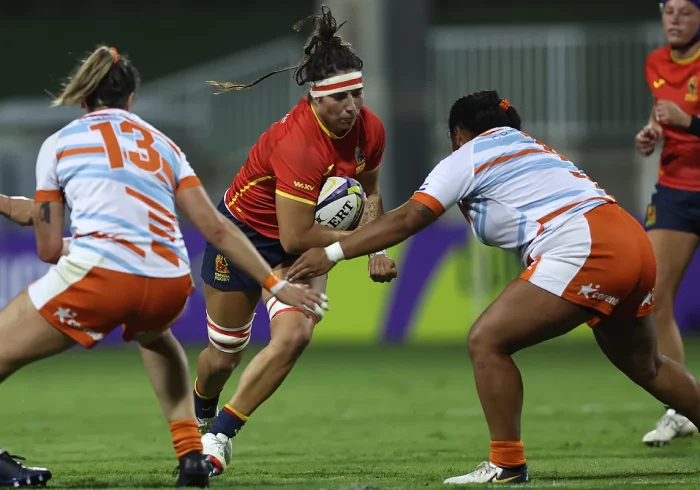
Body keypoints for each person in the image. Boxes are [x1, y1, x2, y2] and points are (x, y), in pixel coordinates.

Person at [288, 90, 700, 485]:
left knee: (487, 340)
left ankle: (507, 464)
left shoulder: (470, 153)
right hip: (630, 240)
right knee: (650, 366)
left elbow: (408, 218)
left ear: (457, 133)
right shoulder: (533, 147)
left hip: (586, 247)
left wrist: (334, 253)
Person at [0, 45, 327, 488]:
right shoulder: (162, 144)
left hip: (103, 275)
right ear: (131, 98)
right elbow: (215, 226)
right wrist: (275, 282)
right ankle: (192, 454)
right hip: (169, 280)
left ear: (82, 100)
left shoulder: (59, 144)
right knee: (157, 340)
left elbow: (48, 247)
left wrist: (62, 230)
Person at [193, 6, 397, 476]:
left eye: (358, 93)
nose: (352, 105)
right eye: (341, 97)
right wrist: (366, 242)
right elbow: (296, 232)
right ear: (316, 99)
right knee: (223, 357)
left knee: (296, 334)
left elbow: (369, 191)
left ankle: (219, 435)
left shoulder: (370, 130)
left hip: (298, 250)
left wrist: (380, 246)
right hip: (242, 236)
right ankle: (203, 410)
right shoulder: (301, 145)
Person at [635, 0, 700, 446]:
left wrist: (689, 122)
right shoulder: (656, 61)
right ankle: (681, 409)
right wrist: (652, 131)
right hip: (676, 190)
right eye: (668, 11)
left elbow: (684, 116)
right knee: (654, 297)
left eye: (685, 12)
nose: (674, 20)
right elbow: (662, 113)